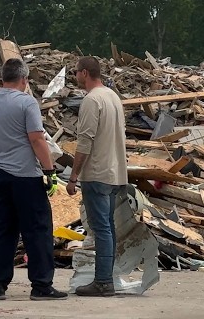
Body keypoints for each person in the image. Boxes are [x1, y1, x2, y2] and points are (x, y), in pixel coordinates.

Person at [0, 57, 67, 301]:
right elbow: (36, 139)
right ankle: (41, 285)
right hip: (26, 176)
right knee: (37, 230)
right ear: (24, 79)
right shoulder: (27, 102)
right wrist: (49, 171)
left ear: (2, 78)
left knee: (2, 231)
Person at [65, 56, 131, 297]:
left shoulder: (92, 100)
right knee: (108, 228)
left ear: (84, 73)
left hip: (96, 173)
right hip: (114, 172)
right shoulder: (113, 97)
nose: (75, 76)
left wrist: (73, 176)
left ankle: (103, 281)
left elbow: (85, 142)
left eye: (76, 72)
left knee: (101, 228)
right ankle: (107, 277)